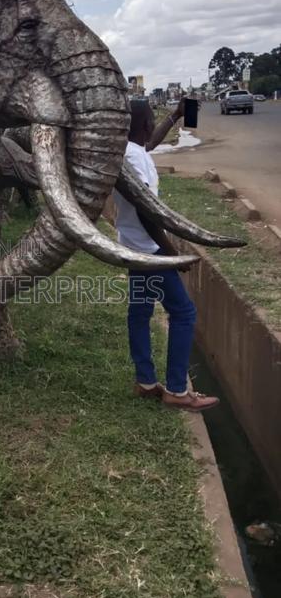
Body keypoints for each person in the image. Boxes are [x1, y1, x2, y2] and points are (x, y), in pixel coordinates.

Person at [113, 98, 219, 412]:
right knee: (184, 313)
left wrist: (174, 115)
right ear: (143, 126)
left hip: (131, 245)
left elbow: (150, 143)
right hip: (150, 249)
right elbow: (146, 210)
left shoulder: (126, 151)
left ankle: (146, 382)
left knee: (140, 313)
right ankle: (176, 389)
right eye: (151, 122)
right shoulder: (135, 159)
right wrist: (172, 253)